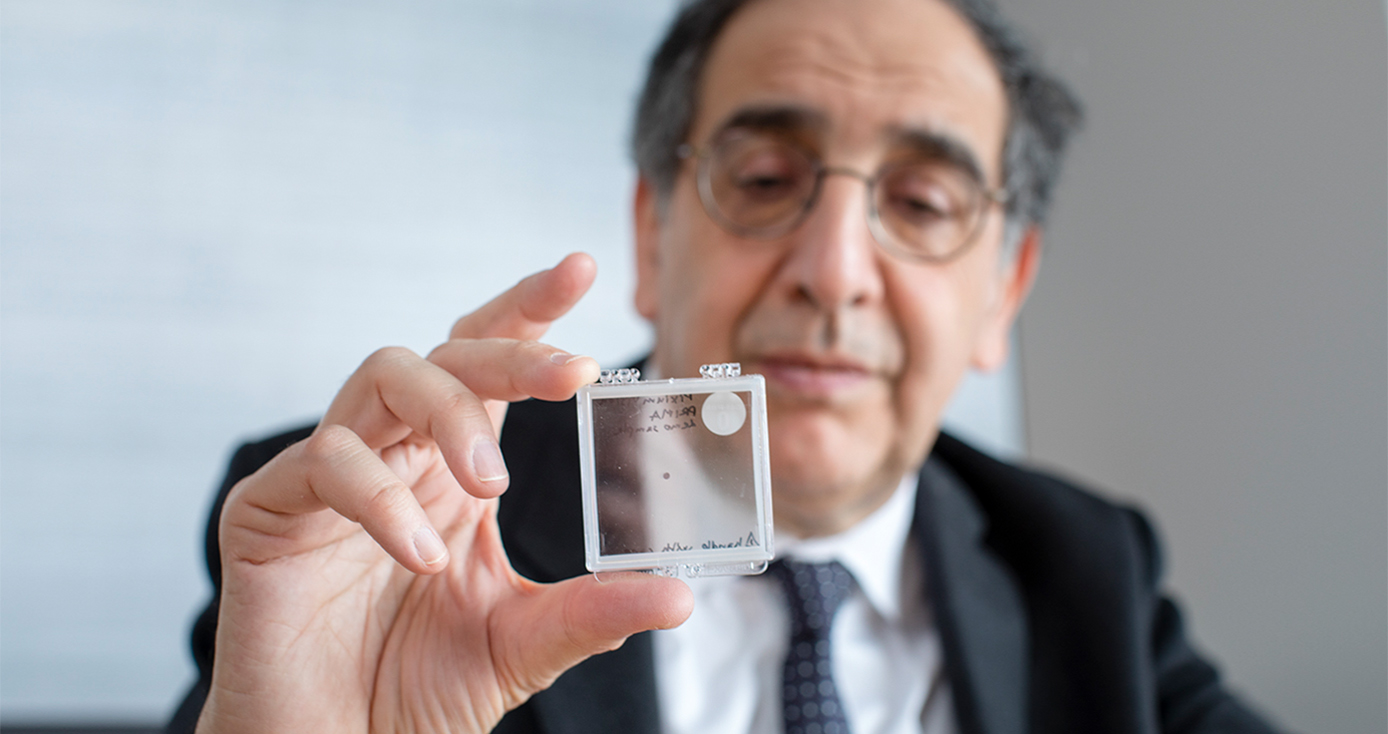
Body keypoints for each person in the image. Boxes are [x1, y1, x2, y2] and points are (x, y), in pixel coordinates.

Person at [169, 0, 1283, 732]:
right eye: (760, 180)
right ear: (651, 237)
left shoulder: (1090, 572)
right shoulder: (367, 546)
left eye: (922, 203)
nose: (833, 269)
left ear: (1002, 288)